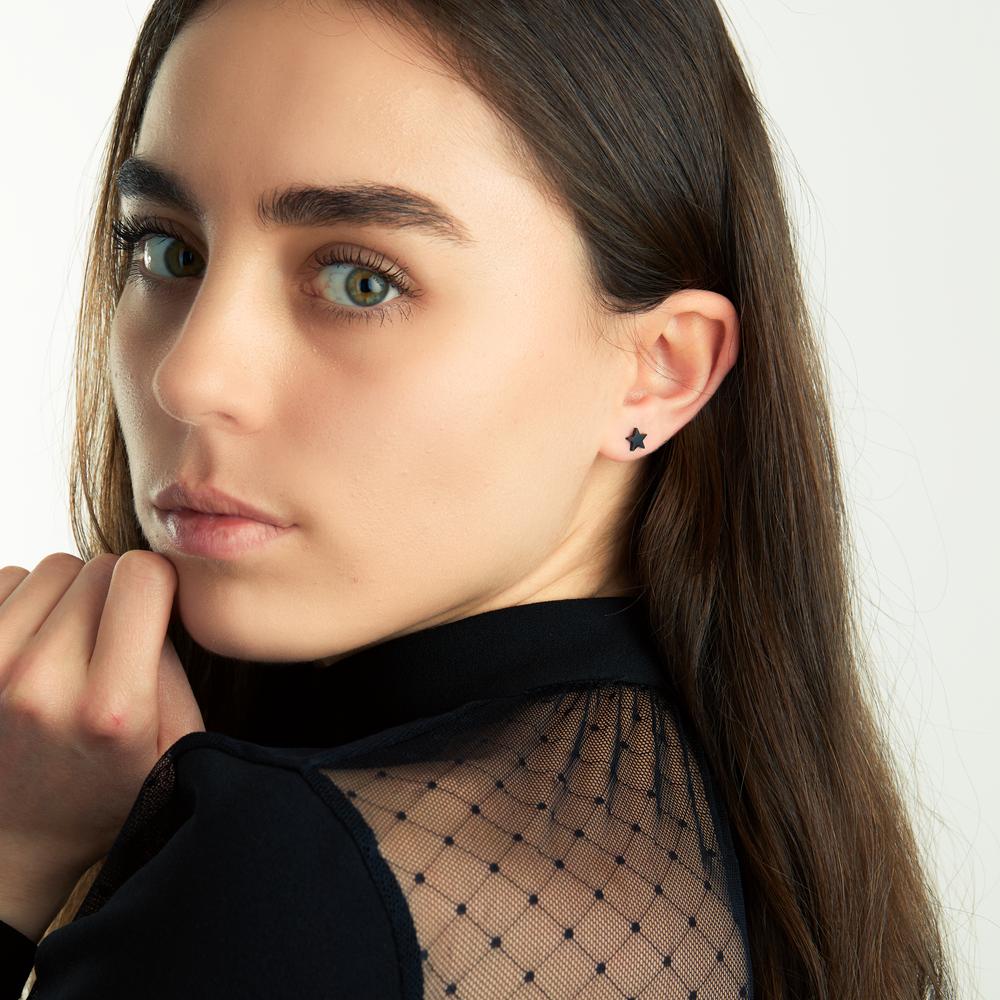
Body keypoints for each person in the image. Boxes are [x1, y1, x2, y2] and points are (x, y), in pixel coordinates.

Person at [0, 0, 957, 997]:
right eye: (168, 251)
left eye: (360, 281)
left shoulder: (283, 880)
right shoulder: (736, 853)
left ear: (660, 371)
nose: (190, 375)